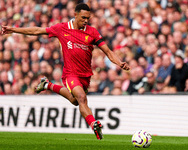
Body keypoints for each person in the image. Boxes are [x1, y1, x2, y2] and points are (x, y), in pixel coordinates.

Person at [1, 3, 129, 140]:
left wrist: (119, 63)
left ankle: (48, 85)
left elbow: (108, 51)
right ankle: (94, 124)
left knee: (75, 101)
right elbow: (37, 31)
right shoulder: (62, 28)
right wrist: (14, 29)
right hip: (70, 74)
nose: (86, 20)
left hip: (85, 75)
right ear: (75, 15)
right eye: (83, 17)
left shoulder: (92, 32)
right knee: (81, 98)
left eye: (88, 18)